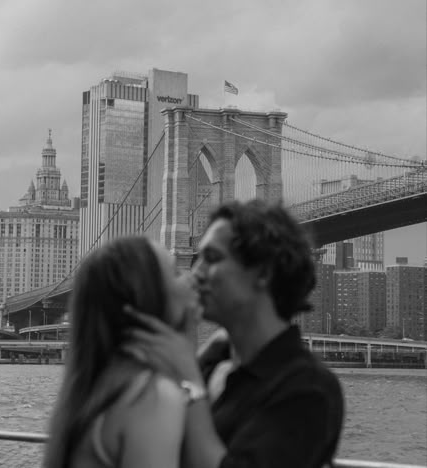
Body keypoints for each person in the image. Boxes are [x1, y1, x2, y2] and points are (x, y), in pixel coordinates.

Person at [125, 199, 344, 468]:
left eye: (212, 258)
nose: (196, 273)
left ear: (263, 272)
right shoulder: (213, 363)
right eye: (198, 259)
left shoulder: (309, 389)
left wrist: (187, 375)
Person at [43, 234, 201, 468]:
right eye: (176, 273)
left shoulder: (98, 387)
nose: (191, 278)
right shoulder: (149, 397)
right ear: (148, 299)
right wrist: (193, 381)